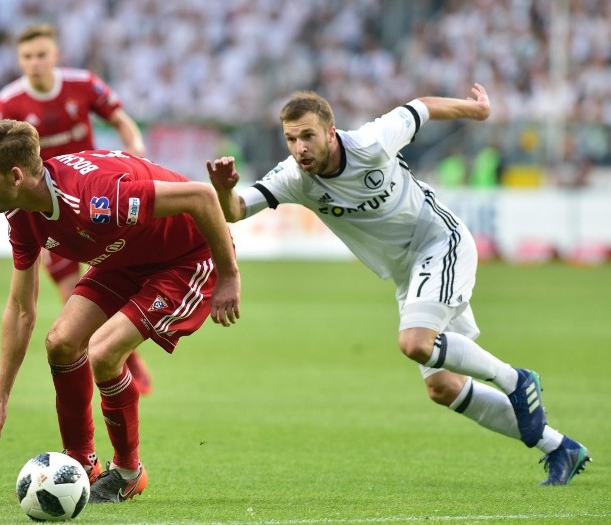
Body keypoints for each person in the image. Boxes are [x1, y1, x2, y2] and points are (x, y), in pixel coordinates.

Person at [207, 84, 590, 486]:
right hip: (410, 272)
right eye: (290, 139)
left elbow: (421, 106)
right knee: (443, 387)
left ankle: (516, 380)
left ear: (330, 131)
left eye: (307, 136)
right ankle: (559, 447)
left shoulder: (372, 142)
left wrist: (474, 112)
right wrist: (223, 186)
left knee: (415, 343)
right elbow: (233, 211)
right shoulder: (293, 177)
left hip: (441, 242)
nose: (299, 148)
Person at [0, 120, 240, 503]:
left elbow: (203, 198)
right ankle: (79, 464)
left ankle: (127, 472)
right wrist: (0, 399)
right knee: (61, 343)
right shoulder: (21, 214)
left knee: (104, 351)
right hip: (125, 258)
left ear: (15, 176)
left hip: (187, 257)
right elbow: (21, 309)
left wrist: (229, 275)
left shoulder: (95, 199)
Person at [0, 23, 153, 393]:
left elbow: (121, 120)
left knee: (113, 275)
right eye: (27, 57)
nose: (34, 63)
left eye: (41, 55)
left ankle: (122, 348)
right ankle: (127, 360)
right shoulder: (9, 101)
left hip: (92, 197)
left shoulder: (83, 84)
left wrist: (136, 149)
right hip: (46, 208)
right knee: (73, 292)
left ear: (56, 55)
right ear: (20, 60)